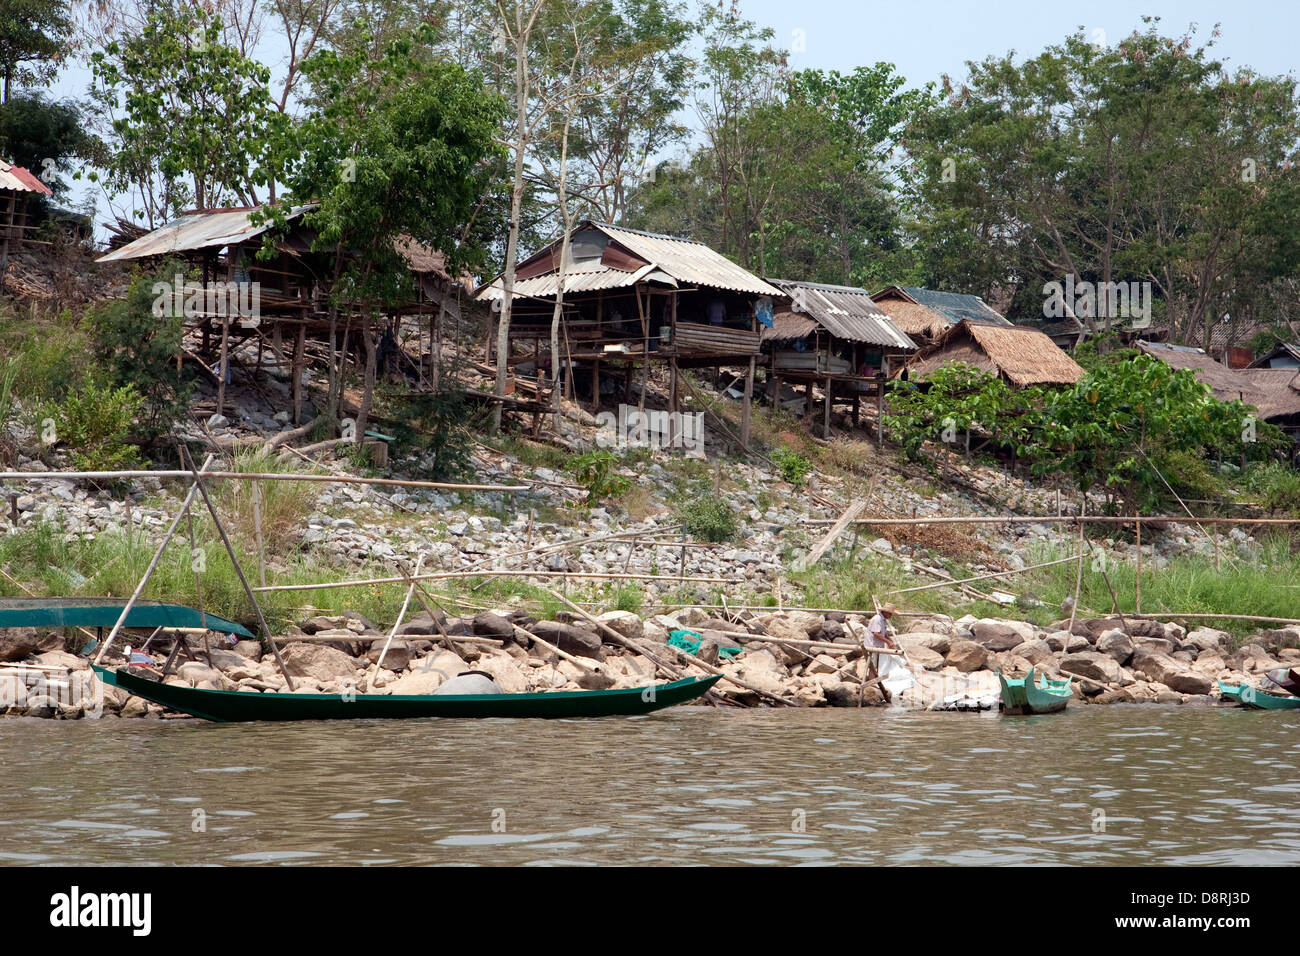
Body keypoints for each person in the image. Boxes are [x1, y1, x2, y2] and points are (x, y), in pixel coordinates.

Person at [863, 602, 899, 679]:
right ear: (885, 612)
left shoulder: (883, 620)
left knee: (878, 665)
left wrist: (889, 640)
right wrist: (888, 642)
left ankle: (876, 681)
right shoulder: (877, 619)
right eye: (890, 614)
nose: (891, 616)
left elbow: (883, 633)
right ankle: (872, 683)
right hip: (872, 646)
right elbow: (876, 633)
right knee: (873, 666)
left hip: (878, 646)